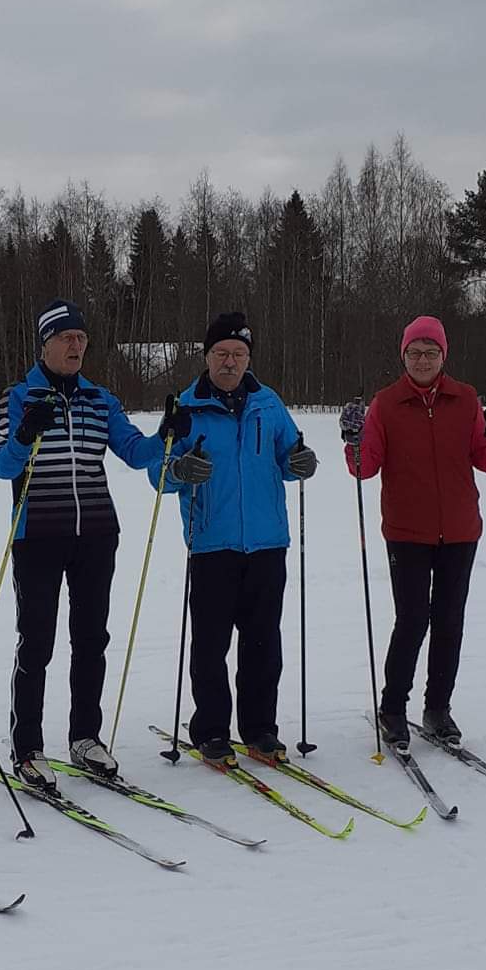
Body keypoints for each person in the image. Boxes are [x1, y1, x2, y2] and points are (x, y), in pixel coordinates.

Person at [0, 300, 162, 791]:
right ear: (44, 344)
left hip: (96, 535)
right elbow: (2, 465)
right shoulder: (18, 397)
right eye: (66, 338)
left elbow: (133, 452)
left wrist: (167, 434)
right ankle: (27, 747)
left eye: (82, 339)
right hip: (38, 535)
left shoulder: (99, 399)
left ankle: (85, 737)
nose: (76, 346)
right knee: (37, 641)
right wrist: (25, 433)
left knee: (91, 639)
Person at [339, 314, 486, 753]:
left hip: (459, 529)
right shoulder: (386, 402)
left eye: (431, 352)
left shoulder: (465, 398)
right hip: (407, 531)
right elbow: (366, 467)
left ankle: (438, 707)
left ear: (444, 355)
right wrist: (354, 439)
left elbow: (484, 457)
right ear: (403, 356)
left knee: (449, 620)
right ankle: (393, 708)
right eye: (415, 352)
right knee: (413, 619)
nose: (423, 360)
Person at [155, 311, 317, 764]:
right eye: (222, 354)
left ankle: (261, 728)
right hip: (212, 543)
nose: (230, 362)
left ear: (249, 358)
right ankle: (210, 730)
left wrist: (301, 463)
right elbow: (158, 472)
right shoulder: (186, 408)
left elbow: (289, 455)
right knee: (210, 644)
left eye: (239, 354)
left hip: (267, 542)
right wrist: (179, 470)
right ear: (206, 357)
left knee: (264, 642)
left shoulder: (269, 403)